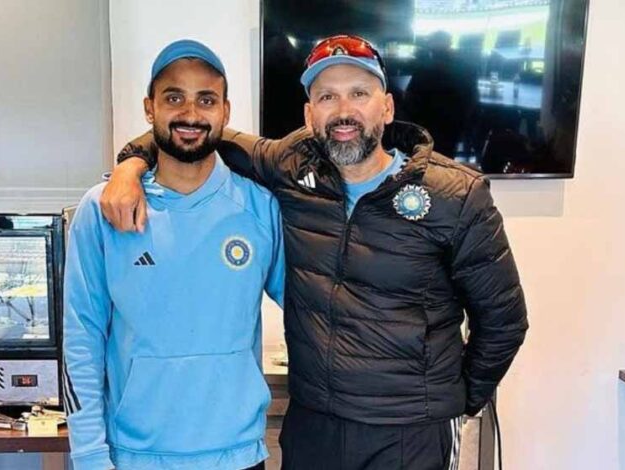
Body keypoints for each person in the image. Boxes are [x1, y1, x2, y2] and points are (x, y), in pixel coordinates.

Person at [103, 34, 528, 470]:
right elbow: (195, 129)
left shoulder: (456, 195)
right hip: (314, 426)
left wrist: (450, 399)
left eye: (359, 93)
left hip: (409, 432)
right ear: (309, 115)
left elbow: (504, 321)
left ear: (387, 107)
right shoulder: (290, 166)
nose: (343, 111)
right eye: (327, 96)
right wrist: (130, 165)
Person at [62, 39, 284, 470]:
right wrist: (89, 455)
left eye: (206, 99)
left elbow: (309, 309)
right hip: (134, 457)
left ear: (225, 112)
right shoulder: (103, 209)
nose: (190, 113)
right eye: (174, 98)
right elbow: (81, 339)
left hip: (237, 454)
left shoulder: (260, 208)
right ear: (150, 109)